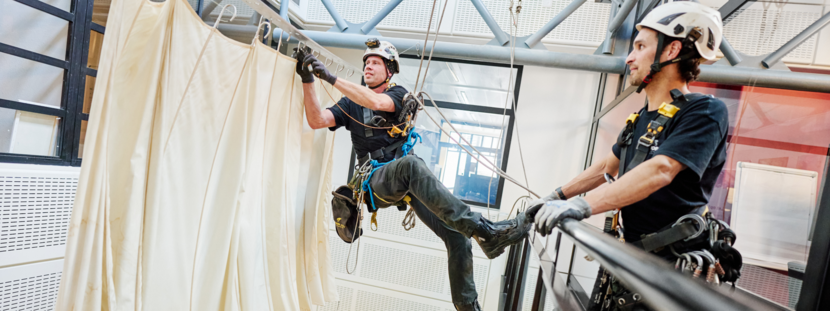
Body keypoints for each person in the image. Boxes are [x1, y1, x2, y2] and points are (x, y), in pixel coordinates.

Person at [295, 39, 532, 311]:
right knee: (410, 164)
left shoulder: (397, 94)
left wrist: (331, 77)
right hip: (374, 181)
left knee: (458, 237)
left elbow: (375, 100)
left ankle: (468, 305)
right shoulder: (350, 104)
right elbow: (316, 120)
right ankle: (486, 231)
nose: (368, 67)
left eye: (375, 63)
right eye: (366, 63)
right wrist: (308, 80)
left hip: (406, 186)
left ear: (390, 71)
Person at [531, 1, 727, 308]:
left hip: (669, 270)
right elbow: (606, 168)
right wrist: (556, 195)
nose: (629, 58)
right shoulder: (640, 119)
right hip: (632, 261)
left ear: (671, 51)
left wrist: (582, 207)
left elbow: (662, 169)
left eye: (639, 46)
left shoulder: (705, 111)